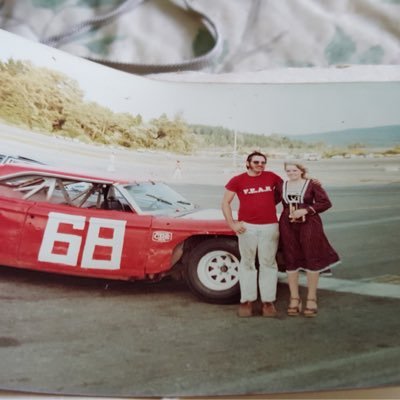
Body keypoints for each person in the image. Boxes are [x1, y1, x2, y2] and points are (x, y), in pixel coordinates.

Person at [275, 162, 340, 317]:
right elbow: (269, 201)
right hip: (287, 224)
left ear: (301, 171)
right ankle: (294, 297)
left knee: (311, 257)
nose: (291, 173)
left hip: (309, 223)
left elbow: (325, 203)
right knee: (291, 258)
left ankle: (311, 297)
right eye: (288, 170)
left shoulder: (312, 184)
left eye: (294, 170)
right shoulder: (281, 186)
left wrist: (306, 210)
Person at [222, 151, 282, 317]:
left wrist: (311, 182)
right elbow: (225, 202)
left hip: (269, 226)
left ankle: (268, 302)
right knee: (247, 263)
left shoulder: (272, 177)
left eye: (263, 162)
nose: (260, 165)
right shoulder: (238, 180)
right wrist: (232, 224)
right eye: (256, 162)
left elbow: (290, 189)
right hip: (247, 227)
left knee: (268, 264)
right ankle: (247, 300)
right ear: (248, 163)